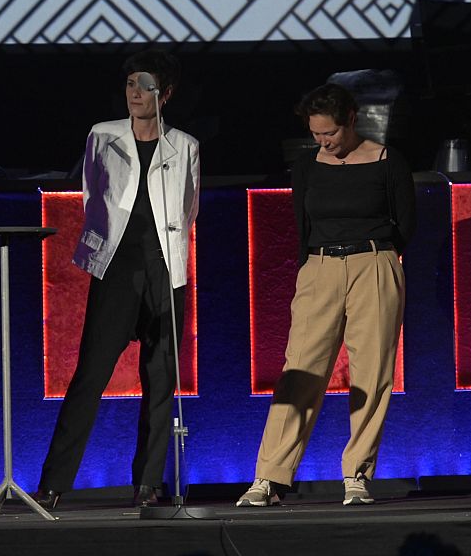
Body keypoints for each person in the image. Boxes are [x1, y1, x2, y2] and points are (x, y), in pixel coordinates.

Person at [236, 83, 416, 507]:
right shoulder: (307, 165)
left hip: (374, 264)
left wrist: (376, 261)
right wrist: (313, 270)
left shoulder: (387, 161)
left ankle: (356, 474)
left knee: (372, 374)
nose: (324, 142)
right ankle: (270, 476)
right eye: (317, 134)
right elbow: (303, 225)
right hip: (320, 268)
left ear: (351, 120)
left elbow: (405, 224)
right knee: (300, 369)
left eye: (330, 133)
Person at [34, 50, 200, 509]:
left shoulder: (184, 145)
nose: (135, 93)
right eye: (129, 84)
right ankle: (53, 482)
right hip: (118, 265)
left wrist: (167, 256)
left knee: (161, 378)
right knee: (90, 374)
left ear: (165, 94)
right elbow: (92, 193)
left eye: (144, 85)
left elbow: (189, 209)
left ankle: (148, 483)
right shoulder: (102, 135)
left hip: (166, 267)